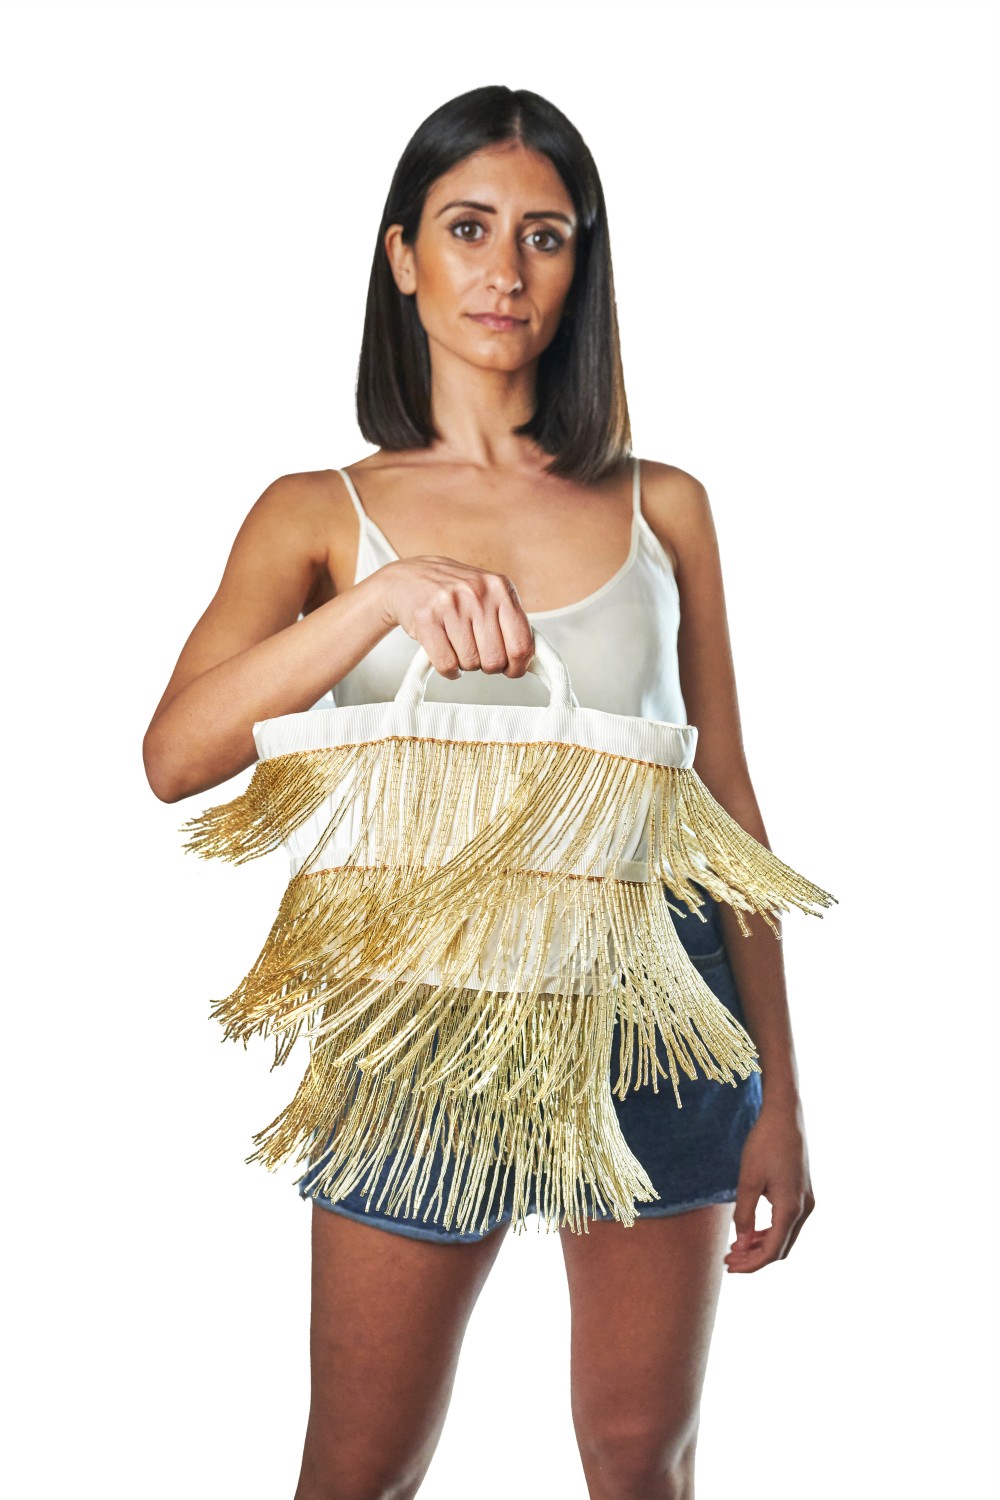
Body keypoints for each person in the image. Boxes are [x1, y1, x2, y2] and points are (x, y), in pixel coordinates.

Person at [143, 85, 816, 1500]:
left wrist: (782, 1096)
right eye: (467, 228)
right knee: (358, 1467)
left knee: (640, 1457)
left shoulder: (664, 504)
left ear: (582, 266)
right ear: (403, 256)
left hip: (656, 1007)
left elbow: (727, 808)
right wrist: (377, 599)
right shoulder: (317, 511)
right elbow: (176, 757)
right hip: (419, 1018)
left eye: (545, 236)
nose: (506, 270)